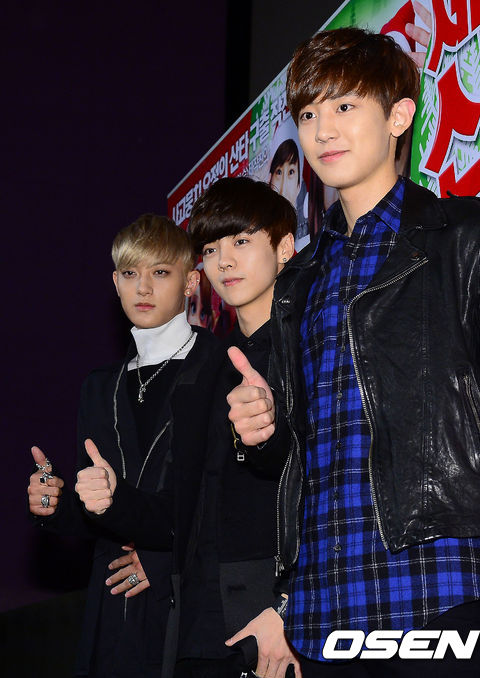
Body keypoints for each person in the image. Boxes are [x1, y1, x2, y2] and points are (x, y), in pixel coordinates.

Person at [227, 27, 480, 677]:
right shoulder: (298, 281)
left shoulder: (469, 239)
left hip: (443, 584)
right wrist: (262, 430)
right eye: (308, 114)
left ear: (398, 116)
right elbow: (300, 453)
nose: (323, 130)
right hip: (322, 606)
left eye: (345, 106)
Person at [28, 214, 223, 678]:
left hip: (189, 606)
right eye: (131, 273)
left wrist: (163, 559)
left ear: (190, 282)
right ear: (115, 283)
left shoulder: (220, 366)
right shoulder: (99, 386)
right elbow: (96, 510)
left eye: (160, 272)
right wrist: (55, 504)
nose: (143, 288)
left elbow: (226, 500)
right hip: (112, 613)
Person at [176, 176, 298, 678]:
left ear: (285, 247)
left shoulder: (315, 347)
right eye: (210, 249)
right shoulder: (209, 366)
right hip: (201, 617)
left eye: (241, 241)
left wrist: (291, 606)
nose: (223, 261)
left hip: (276, 613)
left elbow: (334, 488)